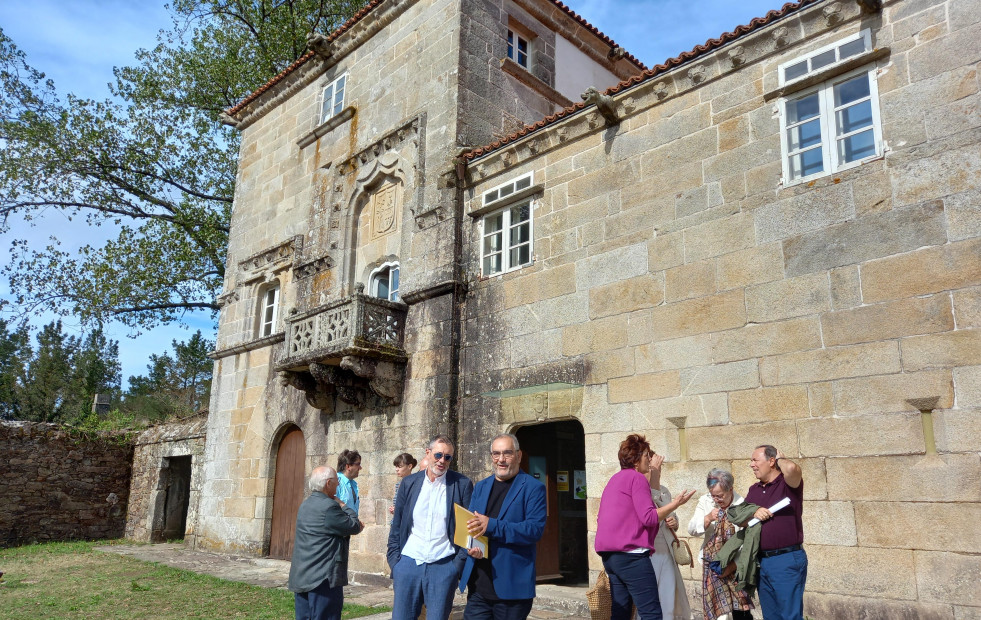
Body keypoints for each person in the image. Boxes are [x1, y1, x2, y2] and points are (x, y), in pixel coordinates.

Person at [458, 433, 547, 619]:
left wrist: (491, 525)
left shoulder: (533, 488)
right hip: (479, 586)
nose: (501, 459)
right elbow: (472, 526)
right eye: (496, 454)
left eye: (507, 453)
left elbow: (533, 530)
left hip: (512, 588)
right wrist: (472, 547)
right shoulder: (481, 486)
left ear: (519, 455)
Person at [388, 434, 474, 620]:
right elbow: (398, 525)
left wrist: (455, 567)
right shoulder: (409, 483)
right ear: (428, 453)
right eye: (438, 455)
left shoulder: (461, 484)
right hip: (409, 563)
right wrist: (396, 563)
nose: (442, 461)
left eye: (447, 457)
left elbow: (468, 530)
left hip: (443, 566)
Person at [594, 434, 664, 620]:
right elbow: (649, 518)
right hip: (631, 555)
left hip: (610, 557)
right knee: (651, 613)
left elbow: (602, 517)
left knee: (621, 612)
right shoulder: (637, 478)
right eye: (646, 455)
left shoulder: (614, 480)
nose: (649, 459)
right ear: (635, 459)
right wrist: (675, 504)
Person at [288, 466, 363, 620]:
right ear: (328, 483)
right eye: (337, 481)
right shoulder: (329, 507)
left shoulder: (306, 504)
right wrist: (343, 505)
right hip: (322, 578)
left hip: (302, 575)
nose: (338, 485)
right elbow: (354, 525)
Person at [744, 445, 805, 620]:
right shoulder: (754, 489)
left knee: (789, 616)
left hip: (786, 560)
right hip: (762, 561)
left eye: (755, 460)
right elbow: (742, 519)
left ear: (771, 461)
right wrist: (753, 513)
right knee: (771, 616)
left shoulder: (788, 484)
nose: (751, 464)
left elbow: (792, 468)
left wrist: (781, 459)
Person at [687, 469, 752, 620]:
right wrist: (708, 518)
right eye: (713, 495)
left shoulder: (742, 505)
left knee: (741, 608)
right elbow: (692, 529)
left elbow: (746, 544)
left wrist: (731, 567)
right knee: (717, 612)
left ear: (731, 489)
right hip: (712, 565)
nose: (716, 499)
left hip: (735, 565)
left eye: (720, 496)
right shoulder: (705, 500)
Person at [646, 453, 696, 620]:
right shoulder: (639, 488)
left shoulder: (664, 490)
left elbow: (672, 513)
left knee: (668, 595)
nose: (657, 472)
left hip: (666, 549)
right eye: (654, 467)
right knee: (649, 597)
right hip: (648, 551)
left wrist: (674, 521)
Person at [390, 452, 418, 521]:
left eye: (400, 466)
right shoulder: (398, 484)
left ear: (409, 466)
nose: (397, 469)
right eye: (396, 466)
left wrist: (398, 511)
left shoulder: (414, 484)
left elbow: (412, 506)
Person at [336, 449, 362, 515]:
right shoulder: (336, 482)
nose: (360, 467)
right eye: (358, 464)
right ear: (348, 466)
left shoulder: (353, 484)